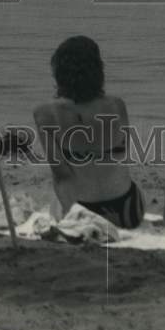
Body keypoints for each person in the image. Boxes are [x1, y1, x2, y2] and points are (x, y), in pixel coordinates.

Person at [33, 35, 144, 229]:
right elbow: (120, 159)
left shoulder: (45, 113)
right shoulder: (117, 105)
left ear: (59, 72)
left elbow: (62, 176)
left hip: (86, 213)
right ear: (98, 70)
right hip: (129, 210)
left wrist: (73, 217)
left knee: (54, 202)